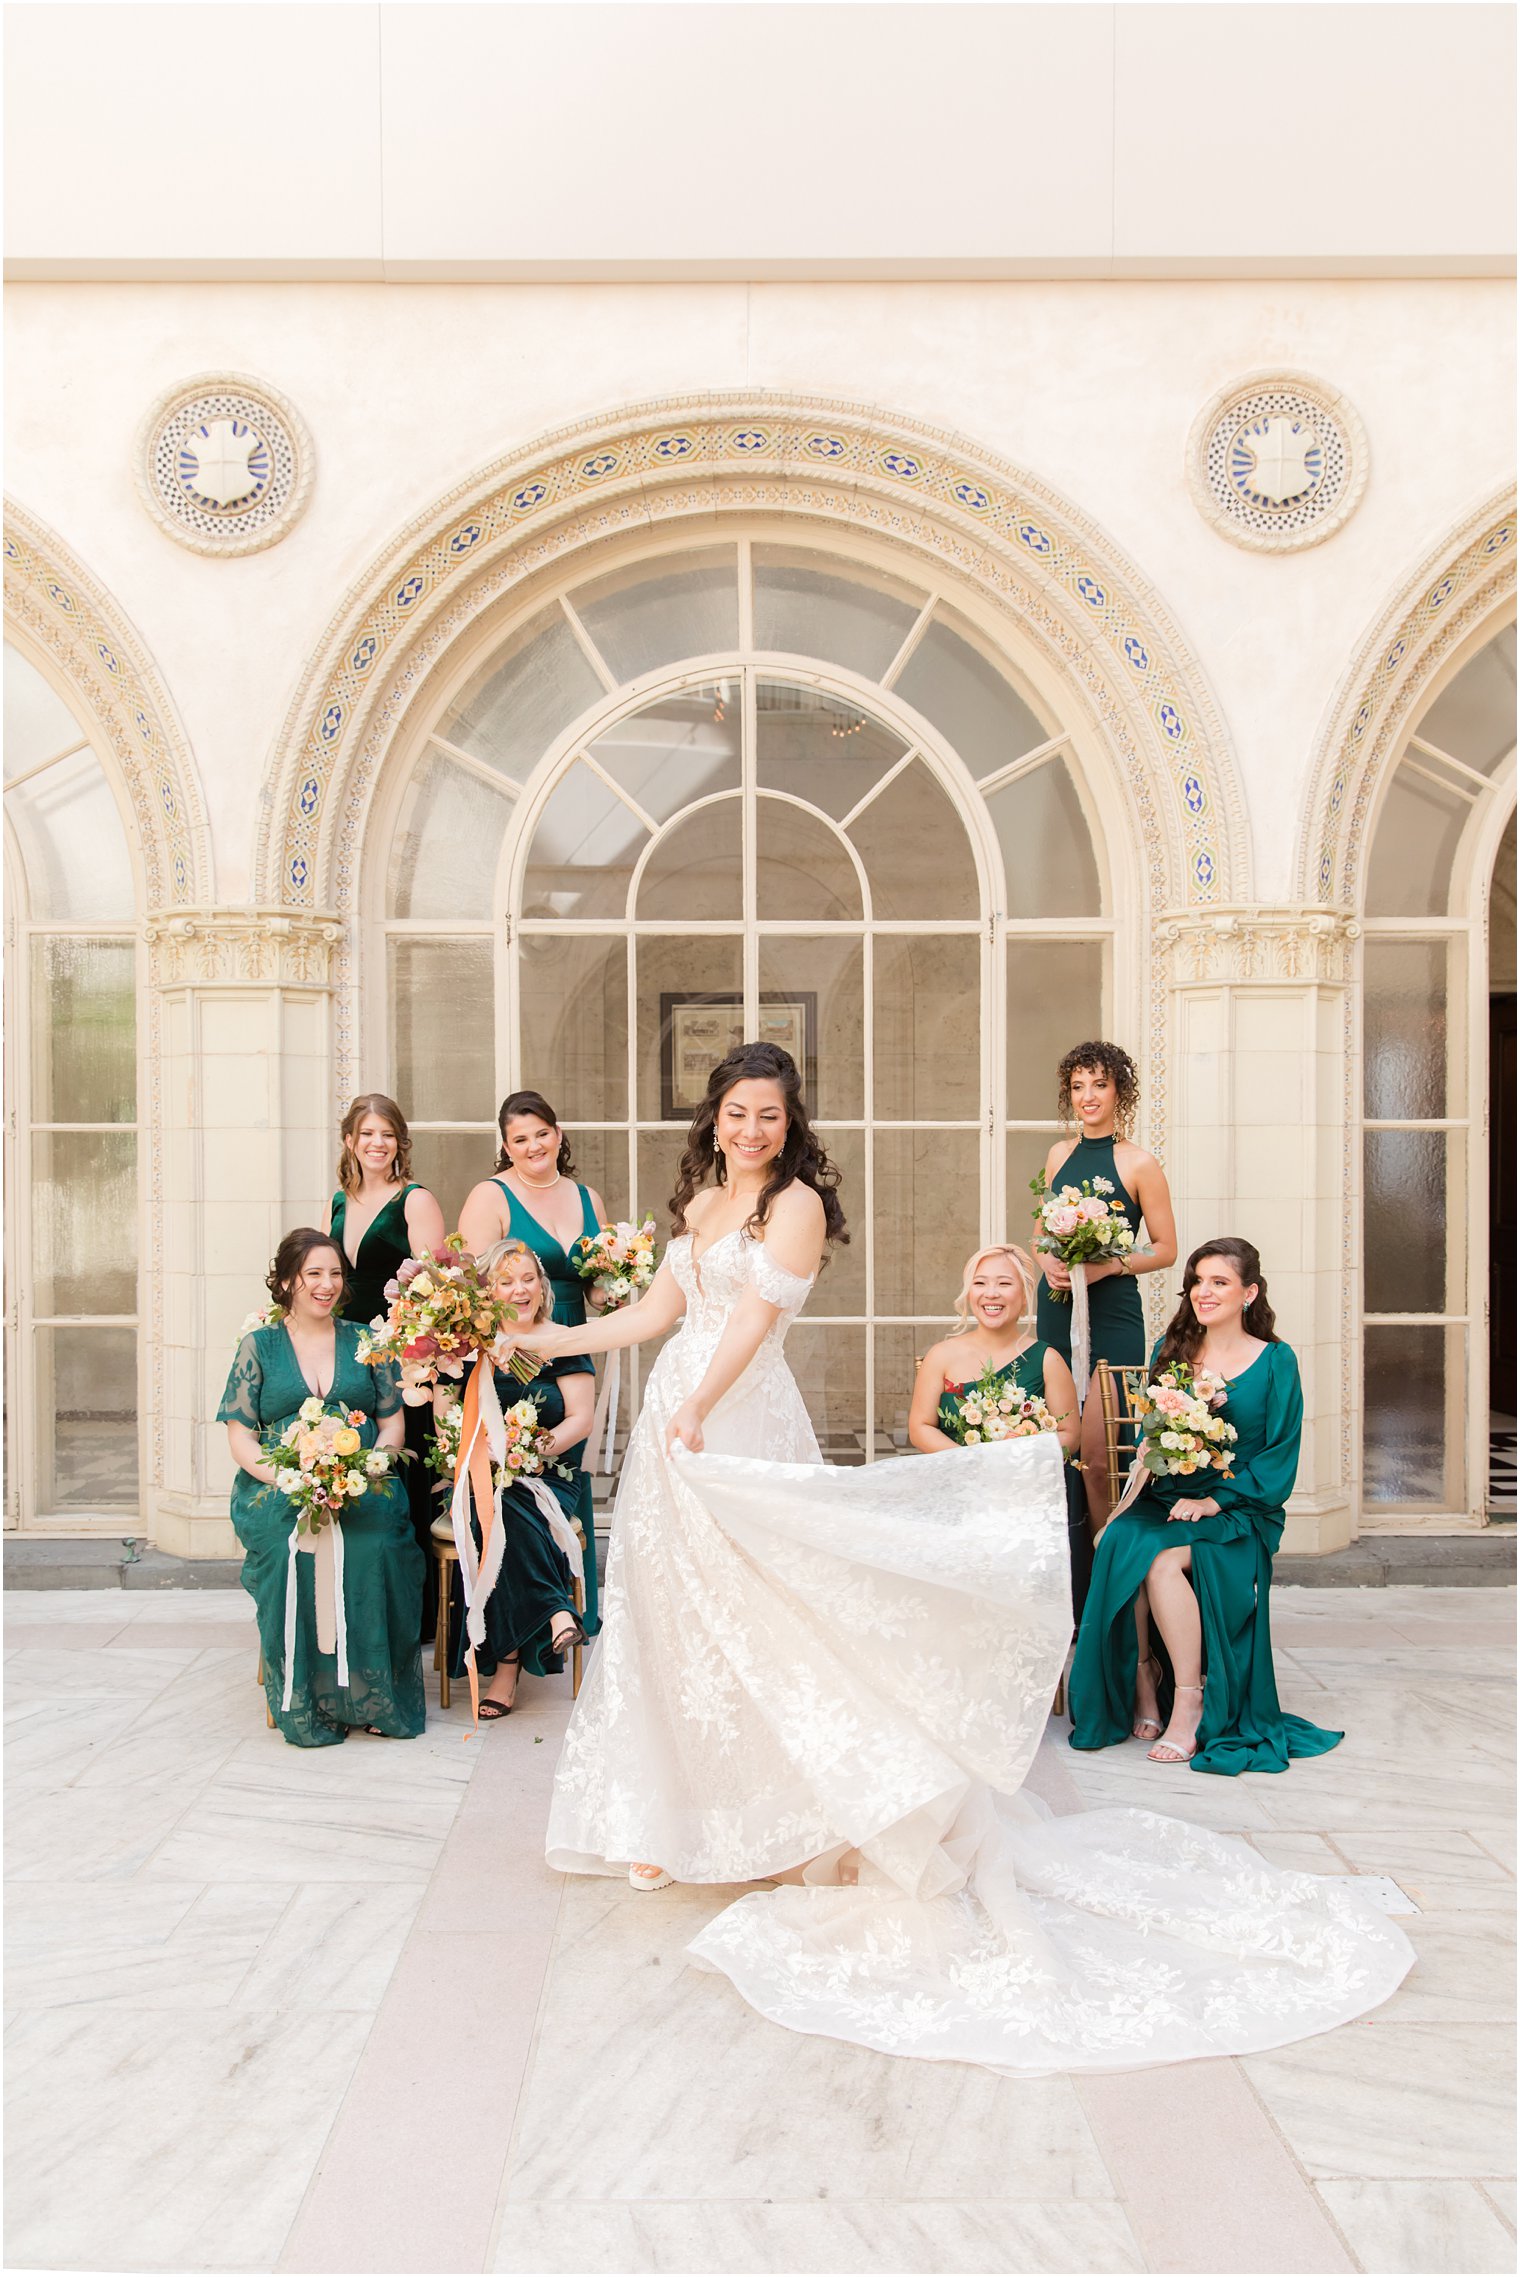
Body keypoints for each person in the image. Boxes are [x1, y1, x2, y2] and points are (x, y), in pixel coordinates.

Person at [513, 1043, 1412, 2077]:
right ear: (711, 1120)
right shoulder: (703, 1202)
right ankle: (672, 1816)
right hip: (679, 1422)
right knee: (671, 1618)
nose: (749, 1129)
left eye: (766, 1115)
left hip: (731, 1421)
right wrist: (545, 1343)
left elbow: (753, 1323)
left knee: (773, 1619)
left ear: (786, 1122)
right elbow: (656, 1316)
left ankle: (803, 1814)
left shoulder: (794, 1205)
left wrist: (699, 1410)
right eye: (734, 1114)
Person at [1069, 1237, 1341, 1776]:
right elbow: (1155, 1432)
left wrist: (1215, 1499)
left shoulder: (1275, 1360)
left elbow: (1280, 1455)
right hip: (1167, 1497)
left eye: (1219, 1282)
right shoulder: (1170, 1349)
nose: (1204, 1292)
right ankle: (1145, 1680)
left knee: (1164, 1562)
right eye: (1197, 1280)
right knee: (1125, 1540)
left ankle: (1189, 1701)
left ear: (1249, 1292)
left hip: (1241, 1509)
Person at [219, 1228, 425, 1746]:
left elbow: (393, 1423)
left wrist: (371, 1465)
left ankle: (376, 1697)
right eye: (314, 1273)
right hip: (279, 1485)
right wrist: (287, 1475)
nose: (326, 1284)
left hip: (360, 1480)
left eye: (335, 1273)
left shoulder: (366, 1341)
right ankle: (309, 1700)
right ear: (288, 1280)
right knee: (294, 1550)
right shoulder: (259, 1347)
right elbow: (241, 1436)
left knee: (375, 1545)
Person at [457, 1091, 607, 1635]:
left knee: (549, 1464)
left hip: (570, 1344)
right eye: (519, 1139)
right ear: (505, 1146)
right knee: (510, 1482)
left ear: (558, 1134)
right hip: (510, 1351)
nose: (533, 1145)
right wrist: (507, 1348)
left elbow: (594, 1287)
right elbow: (476, 1293)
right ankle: (548, 1617)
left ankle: (536, 1627)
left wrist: (611, 1291)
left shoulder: (588, 1197)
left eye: (541, 1133)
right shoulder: (490, 1196)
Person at [441, 1238, 591, 1719]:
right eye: (505, 1281)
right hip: (481, 1474)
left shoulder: (561, 1340)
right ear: (488, 1290)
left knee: (506, 1509)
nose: (519, 1290)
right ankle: (556, 1613)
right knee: (495, 1504)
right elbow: (447, 1415)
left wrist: (530, 1451)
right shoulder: (471, 1349)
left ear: (542, 1285)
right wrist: (472, 1450)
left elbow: (580, 1419)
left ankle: (506, 1670)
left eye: (527, 1279)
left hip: (548, 1471)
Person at [1034, 1042, 1177, 1529]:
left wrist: (1108, 1267)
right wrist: (1049, 1263)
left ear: (1120, 1091)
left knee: (1103, 1445)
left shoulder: (1140, 1164)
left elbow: (1165, 1249)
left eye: (1099, 1084)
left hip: (1113, 1309)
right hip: (1056, 1303)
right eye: (1077, 1087)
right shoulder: (1057, 1155)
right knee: (1055, 1433)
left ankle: (1106, 1561)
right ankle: (1062, 1559)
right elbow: (1039, 1237)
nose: (1088, 1096)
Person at [909, 1244, 1091, 1619]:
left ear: (1024, 1297)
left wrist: (1018, 1458)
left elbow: (1070, 1432)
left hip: (1021, 1498)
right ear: (969, 1293)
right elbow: (920, 1426)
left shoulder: (1048, 1359)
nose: (991, 1293)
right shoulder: (941, 1355)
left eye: (1004, 1283)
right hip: (955, 1491)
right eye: (981, 1283)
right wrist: (972, 1462)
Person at [330, 1093, 447, 1640]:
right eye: (367, 1134)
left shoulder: (415, 1201)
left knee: (405, 1479)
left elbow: (435, 1292)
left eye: (387, 1134)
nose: (377, 1144)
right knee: (361, 1472)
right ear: (350, 1141)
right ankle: (360, 1603)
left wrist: (410, 1359)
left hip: (403, 1363)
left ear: (401, 1142)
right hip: (351, 1358)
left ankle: (416, 1617)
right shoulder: (340, 1201)